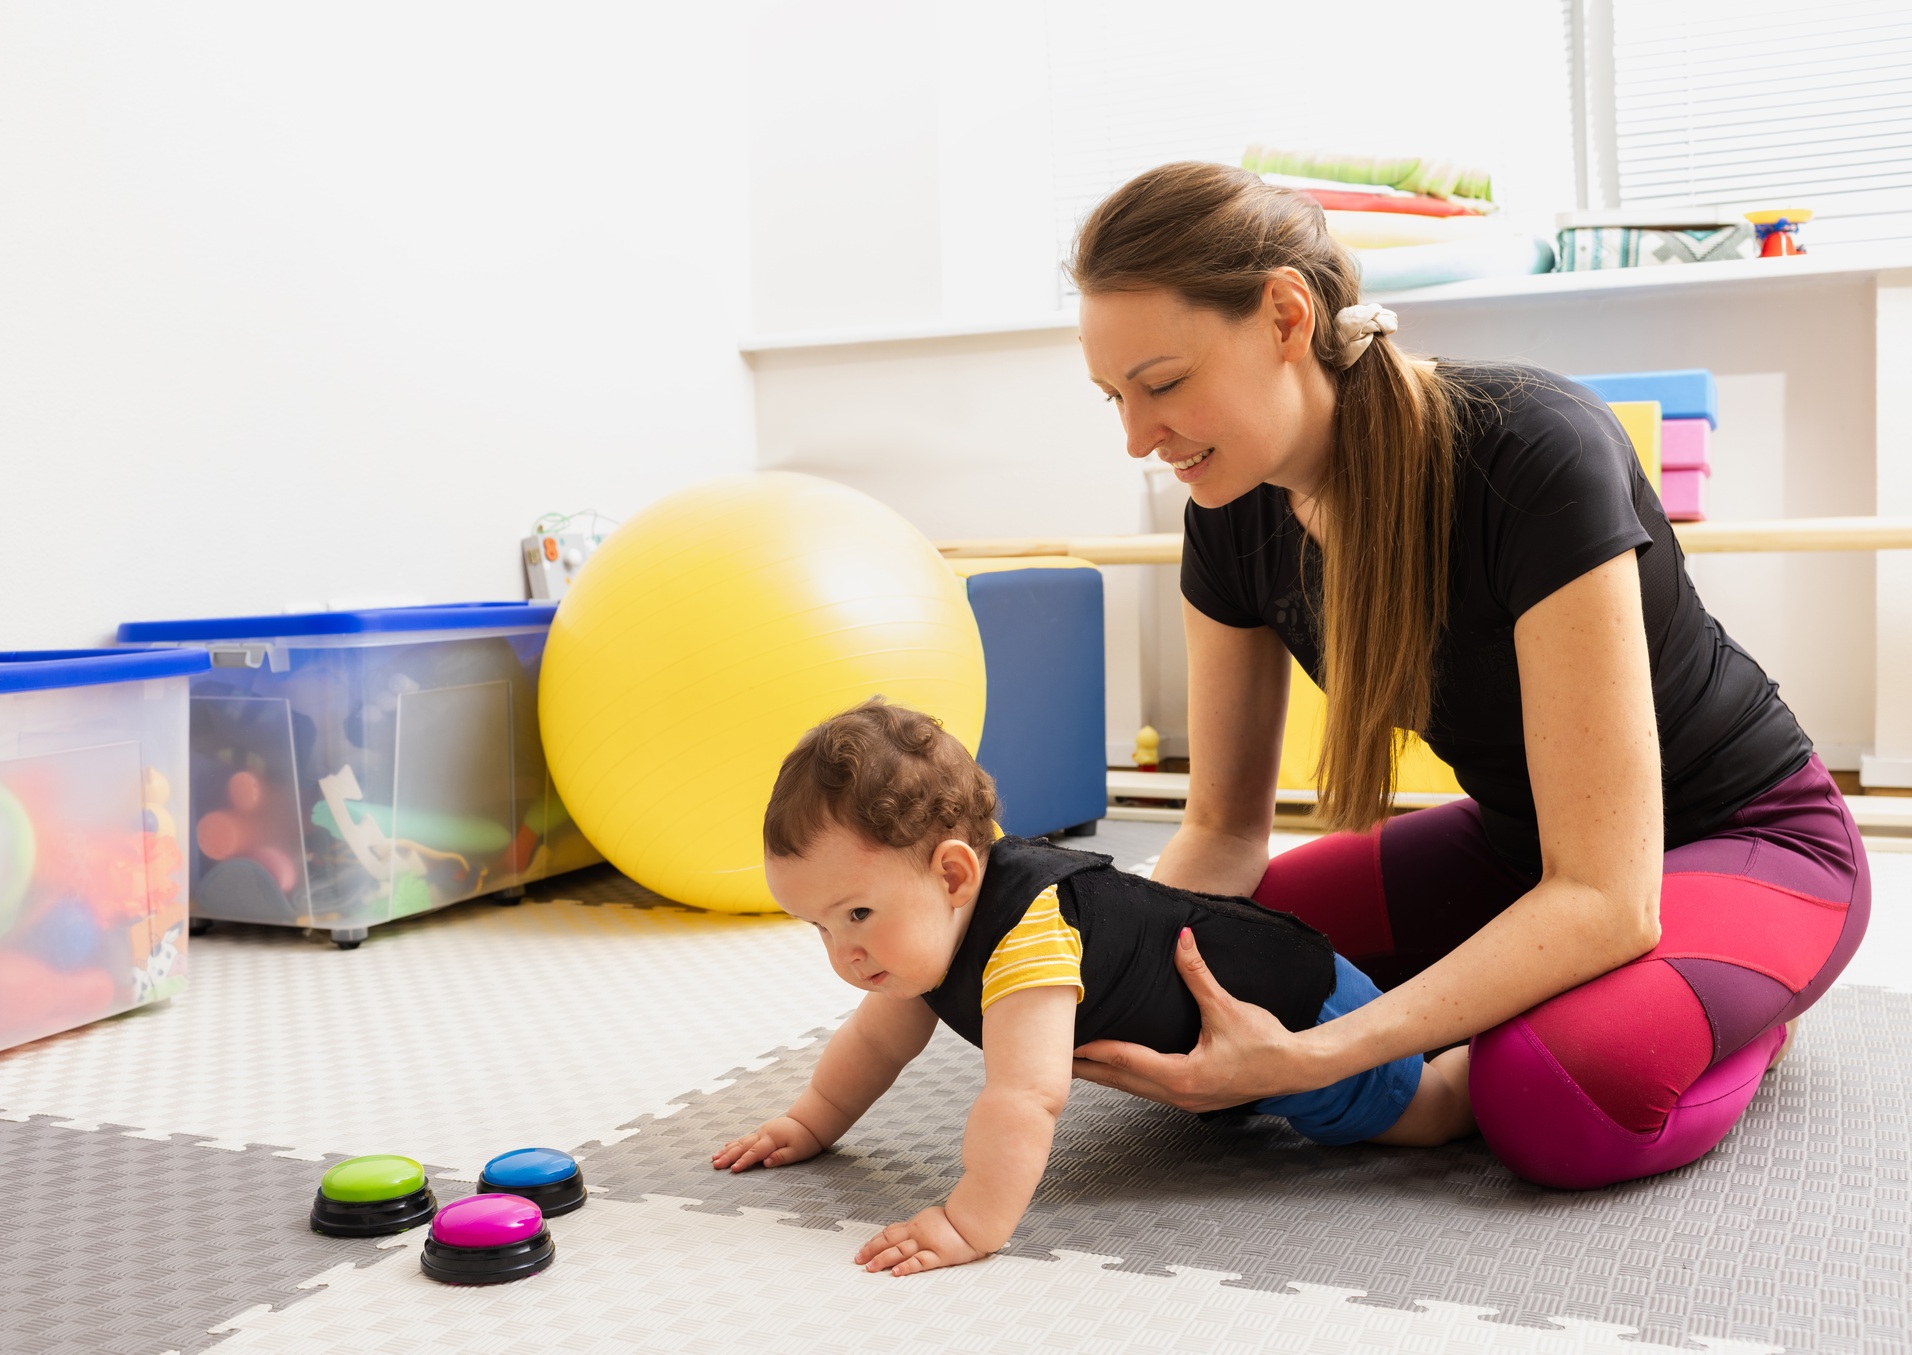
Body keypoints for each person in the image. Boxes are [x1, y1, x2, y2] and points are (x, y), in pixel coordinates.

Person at [1064, 161, 1870, 1190]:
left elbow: (1605, 897)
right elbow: (1222, 830)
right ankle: (1609, 1005)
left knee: (1542, 1097)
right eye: (1112, 397)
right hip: (1520, 852)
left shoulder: (1529, 450)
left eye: (1163, 382)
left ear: (1282, 315)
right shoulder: (1228, 515)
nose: (1137, 435)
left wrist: (1317, 1057)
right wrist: (1085, 972)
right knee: (1196, 977)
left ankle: (1740, 1024)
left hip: (1745, 838)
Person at [712, 699, 1476, 1276]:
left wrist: (969, 1221)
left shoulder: (1028, 938)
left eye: (856, 914)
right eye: (819, 927)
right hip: (1234, 1035)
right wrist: (809, 1121)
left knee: (1428, 1111)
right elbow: (875, 1041)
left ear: (953, 873)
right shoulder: (918, 939)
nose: (843, 952)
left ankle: (1498, 1032)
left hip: (1297, 1012)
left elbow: (1024, 1097)